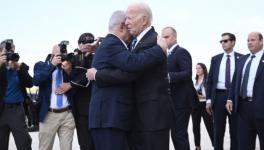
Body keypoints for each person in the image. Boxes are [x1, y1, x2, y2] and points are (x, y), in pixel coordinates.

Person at [87, 3, 173, 150]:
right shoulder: (123, 44)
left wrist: (98, 75)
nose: (126, 22)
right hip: (123, 118)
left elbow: (131, 69)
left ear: (144, 20)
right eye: (125, 20)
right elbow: (130, 66)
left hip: (152, 117)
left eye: (129, 18)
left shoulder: (153, 41)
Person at [58, 33, 99, 150]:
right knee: (85, 144)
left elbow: (87, 76)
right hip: (80, 109)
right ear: (79, 44)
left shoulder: (98, 57)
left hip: (96, 107)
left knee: (98, 142)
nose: (87, 45)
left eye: (90, 42)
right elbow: (65, 76)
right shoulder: (74, 58)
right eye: (84, 42)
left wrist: (71, 84)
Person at [33, 45, 75, 150]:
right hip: (49, 115)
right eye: (58, 55)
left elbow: (76, 81)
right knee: (45, 147)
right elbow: (36, 81)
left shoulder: (66, 67)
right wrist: (52, 65)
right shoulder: (41, 65)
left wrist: (69, 70)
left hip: (67, 115)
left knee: (67, 148)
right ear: (52, 54)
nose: (61, 57)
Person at [226, 32, 264, 149]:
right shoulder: (242, 60)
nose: (249, 42)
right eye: (248, 40)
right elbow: (235, 82)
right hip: (242, 108)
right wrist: (230, 99)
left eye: (252, 40)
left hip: (261, 108)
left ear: (261, 41)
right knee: (243, 144)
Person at [206, 33, 243, 150]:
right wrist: (208, 100)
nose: (223, 43)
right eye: (221, 41)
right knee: (218, 131)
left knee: (235, 131)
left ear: (233, 42)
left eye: (225, 41)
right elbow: (210, 81)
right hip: (219, 96)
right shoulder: (215, 59)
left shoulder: (242, 58)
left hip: (235, 98)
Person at [161, 26, 196, 150]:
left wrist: (168, 77)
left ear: (174, 37)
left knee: (179, 135)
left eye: (167, 37)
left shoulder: (181, 52)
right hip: (171, 102)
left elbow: (187, 73)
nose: (164, 39)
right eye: (162, 37)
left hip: (181, 102)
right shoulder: (166, 55)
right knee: (175, 136)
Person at [0, 40, 33, 150]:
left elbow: (30, 83)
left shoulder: (20, 67)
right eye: (6, 53)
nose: (9, 55)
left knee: (24, 144)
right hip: (1, 110)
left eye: (12, 52)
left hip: (17, 111)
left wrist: (19, 68)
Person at [191, 63, 214, 150]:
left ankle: (215, 145)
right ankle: (197, 146)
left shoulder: (207, 80)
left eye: (199, 68)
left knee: (210, 126)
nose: (197, 70)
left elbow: (210, 93)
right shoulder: (195, 80)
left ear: (203, 69)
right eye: (196, 68)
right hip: (196, 106)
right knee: (195, 127)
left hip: (205, 105)